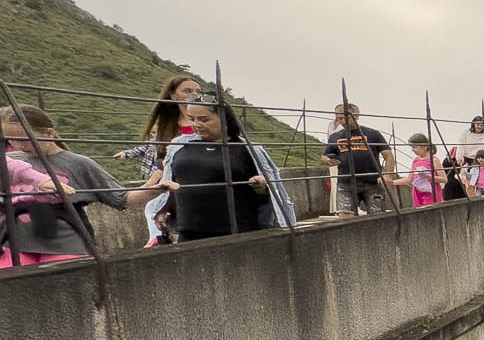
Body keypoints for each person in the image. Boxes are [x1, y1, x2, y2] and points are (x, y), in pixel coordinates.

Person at [2, 107, 165, 263]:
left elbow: (120, 198)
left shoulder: (78, 164)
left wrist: (151, 191)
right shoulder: (10, 162)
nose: (18, 145)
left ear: (49, 133)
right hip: (14, 242)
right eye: (11, 139)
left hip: (65, 244)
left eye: (25, 139)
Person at [147, 93, 296, 240]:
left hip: (236, 233)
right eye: (192, 119)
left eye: (204, 119)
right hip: (189, 233)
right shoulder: (179, 146)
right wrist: (165, 208)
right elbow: (175, 186)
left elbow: (270, 194)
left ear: (224, 119)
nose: (196, 124)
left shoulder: (247, 150)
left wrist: (263, 187)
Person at [114, 72, 204, 174]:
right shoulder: (168, 123)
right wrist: (128, 153)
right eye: (187, 91)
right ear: (174, 96)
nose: (195, 95)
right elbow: (153, 144)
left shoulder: (208, 121)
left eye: (198, 92)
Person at [323, 102, 393, 217]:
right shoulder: (335, 137)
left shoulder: (372, 134)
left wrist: (387, 175)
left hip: (372, 183)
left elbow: (388, 155)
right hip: (346, 184)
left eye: (345, 117)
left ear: (356, 115)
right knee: (345, 216)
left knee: (377, 217)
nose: (342, 121)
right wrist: (327, 160)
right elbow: (326, 155)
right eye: (339, 118)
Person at [395, 134, 443, 207]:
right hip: (417, 194)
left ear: (424, 146)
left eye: (414, 147)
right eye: (411, 147)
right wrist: (392, 182)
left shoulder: (434, 160)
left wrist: (428, 177)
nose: (412, 150)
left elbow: (444, 179)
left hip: (431, 194)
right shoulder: (415, 160)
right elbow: (409, 179)